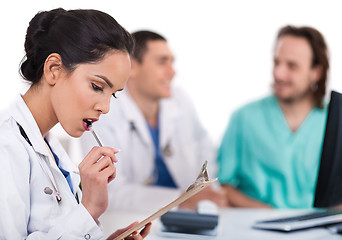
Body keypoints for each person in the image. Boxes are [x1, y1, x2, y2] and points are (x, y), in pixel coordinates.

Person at [0, 8, 151, 239]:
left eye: (113, 94)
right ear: (54, 69)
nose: (105, 107)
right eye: (97, 87)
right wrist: (89, 209)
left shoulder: (52, 148)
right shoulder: (6, 147)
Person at [79, 30, 228, 211]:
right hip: (133, 221)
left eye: (172, 62)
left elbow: (205, 151)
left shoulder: (180, 100)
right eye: (161, 62)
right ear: (132, 67)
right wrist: (180, 200)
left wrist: (207, 194)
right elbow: (110, 191)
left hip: (190, 216)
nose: (172, 72)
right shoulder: (103, 112)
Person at [217, 25, 329, 209]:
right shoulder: (244, 118)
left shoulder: (335, 122)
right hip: (256, 229)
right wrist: (270, 216)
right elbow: (224, 186)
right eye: (277, 62)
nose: (278, 73)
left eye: (292, 66)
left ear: (315, 72)